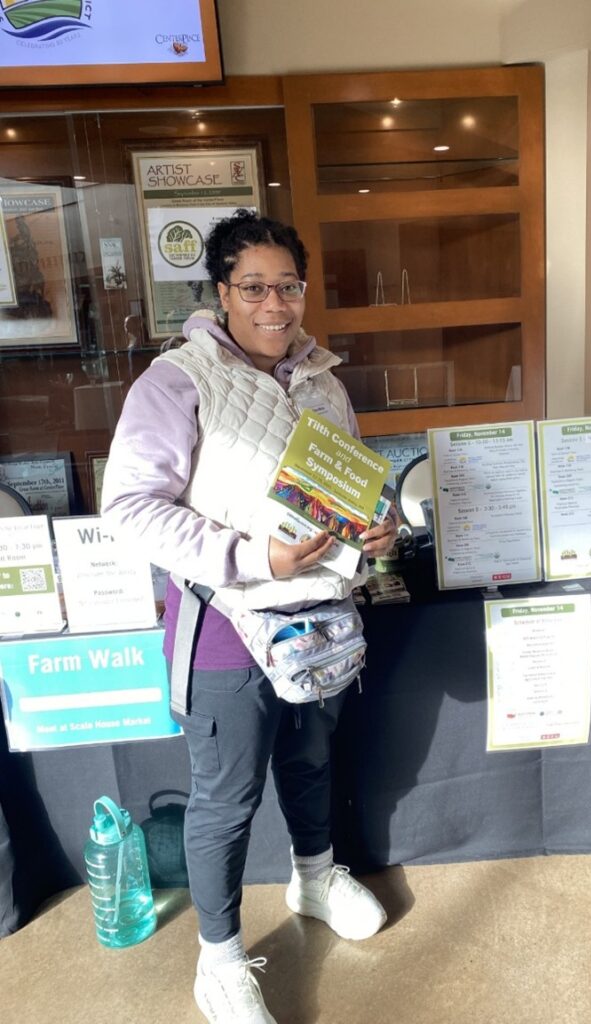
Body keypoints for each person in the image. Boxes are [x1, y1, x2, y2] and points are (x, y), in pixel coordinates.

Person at [101, 210, 396, 1024]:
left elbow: (350, 496)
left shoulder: (325, 384)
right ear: (222, 292)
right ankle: (221, 959)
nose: (276, 303)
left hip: (318, 623)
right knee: (226, 797)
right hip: (225, 624)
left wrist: (375, 531)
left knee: (310, 764)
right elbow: (128, 506)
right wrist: (248, 557)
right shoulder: (176, 381)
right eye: (255, 286)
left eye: (289, 286)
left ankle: (312, 877)